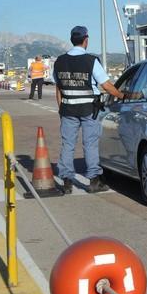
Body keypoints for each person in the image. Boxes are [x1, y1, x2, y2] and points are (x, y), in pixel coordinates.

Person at [54, 26, 126, 194]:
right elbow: (107, 86)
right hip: (88, 109)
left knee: (67, 145)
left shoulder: (59, 61)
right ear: (86, 40)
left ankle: (66, 181)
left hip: (67, 109)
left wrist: (61, 109)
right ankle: (94, 181)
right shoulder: (91, 61)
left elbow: (58, 89)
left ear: (72, 40)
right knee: (90, 144)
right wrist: (122, 95)